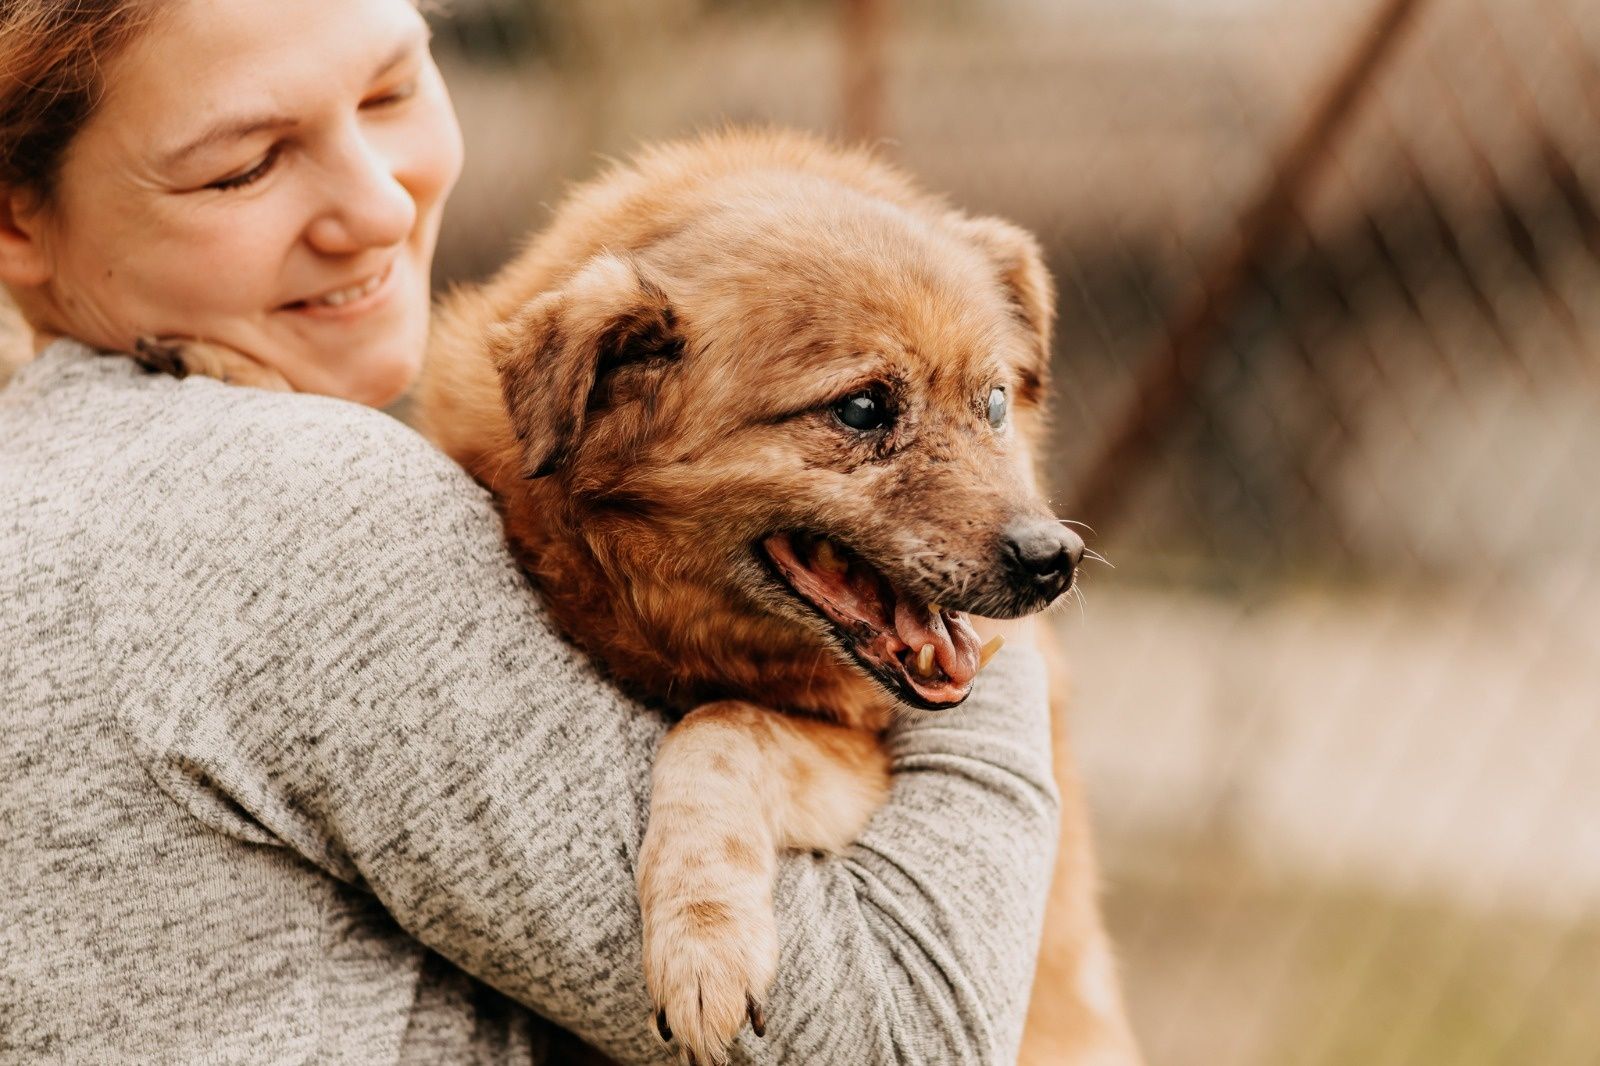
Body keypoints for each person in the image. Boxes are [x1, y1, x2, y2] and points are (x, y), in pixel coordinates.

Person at [0, 1, 1062, 1063]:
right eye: (241, 167)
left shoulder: (58, 467)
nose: (373, 204)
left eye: (392, 89)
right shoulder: (289, 508)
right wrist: (989, 626)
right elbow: (908, 1035)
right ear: (14, 219)